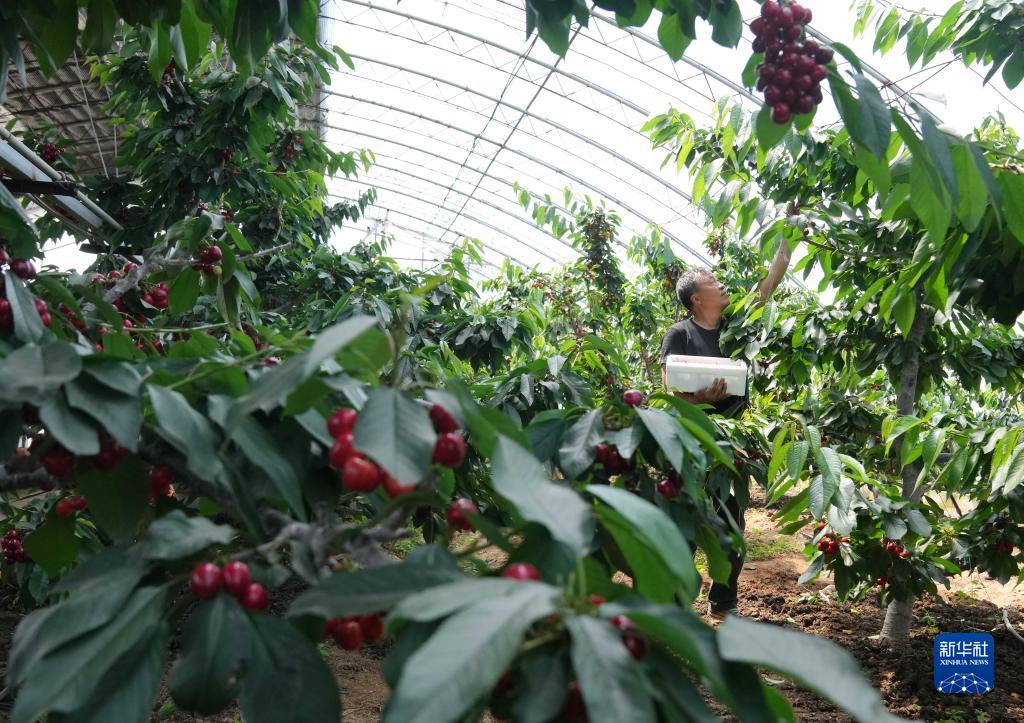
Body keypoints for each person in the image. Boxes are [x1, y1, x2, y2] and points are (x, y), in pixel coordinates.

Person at [659, 246, 793, 620]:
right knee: (685, 525)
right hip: (690, 442)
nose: (722, 285)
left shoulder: (736, 328)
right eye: (713, 282)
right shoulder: (679, 334)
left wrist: (786, 243)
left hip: (730, 445)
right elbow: (668, 390)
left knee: (731, 523)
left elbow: (767, 288)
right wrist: (701, 398)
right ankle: (675, 605)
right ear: (696, 298)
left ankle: (723, 603)